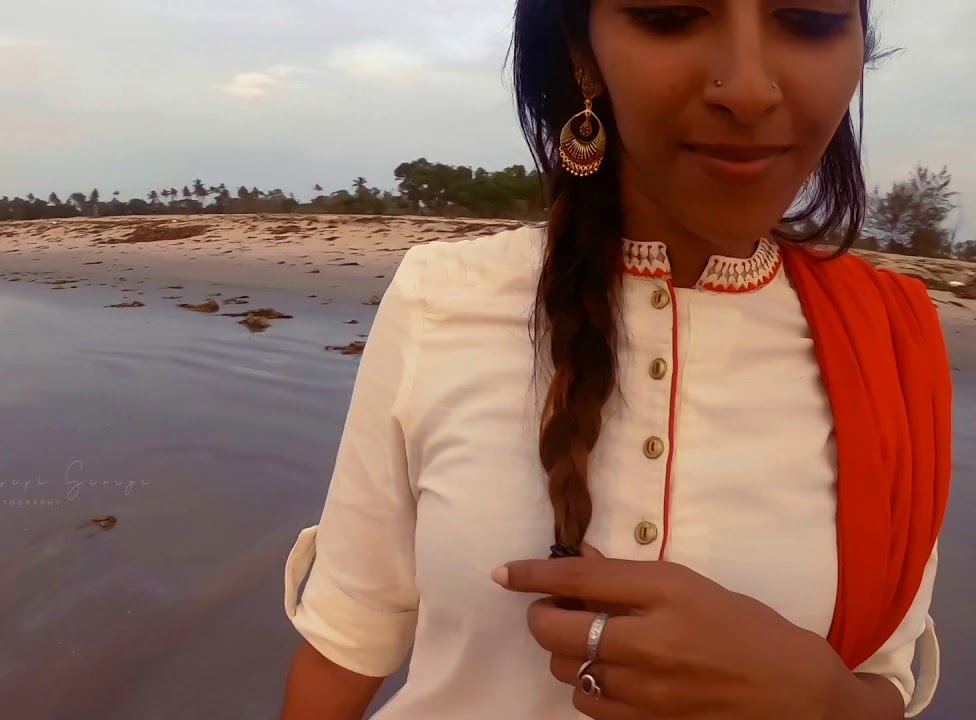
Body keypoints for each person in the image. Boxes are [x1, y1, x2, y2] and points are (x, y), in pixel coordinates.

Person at [279, 0, 950, 718]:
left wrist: (825, 702)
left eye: (811, 21)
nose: (750, 89)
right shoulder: (439, 298)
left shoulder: (891, 345)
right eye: (670, 15)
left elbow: (888, 674)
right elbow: (347, 641)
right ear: (582, 50)